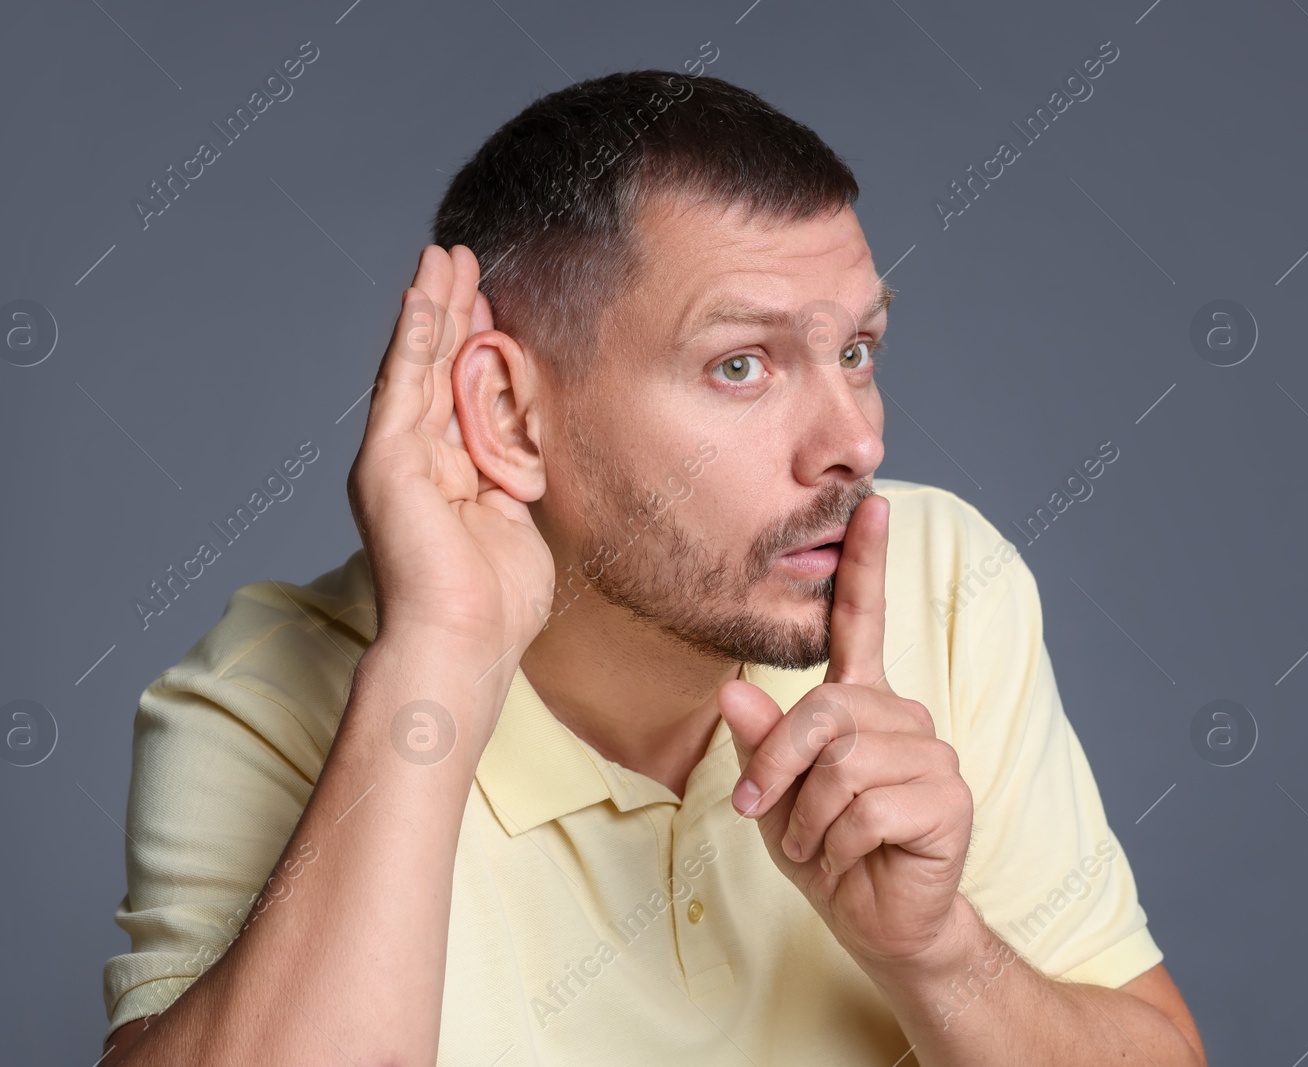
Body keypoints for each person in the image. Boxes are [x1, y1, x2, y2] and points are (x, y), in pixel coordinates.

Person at [97, 70, 1206, 1065]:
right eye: (740, 364)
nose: (855, 443)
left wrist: (934, 949)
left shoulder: (940, 581)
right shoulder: (264, 697)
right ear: (509, 415)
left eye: (856, 351)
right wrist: (440, 655)